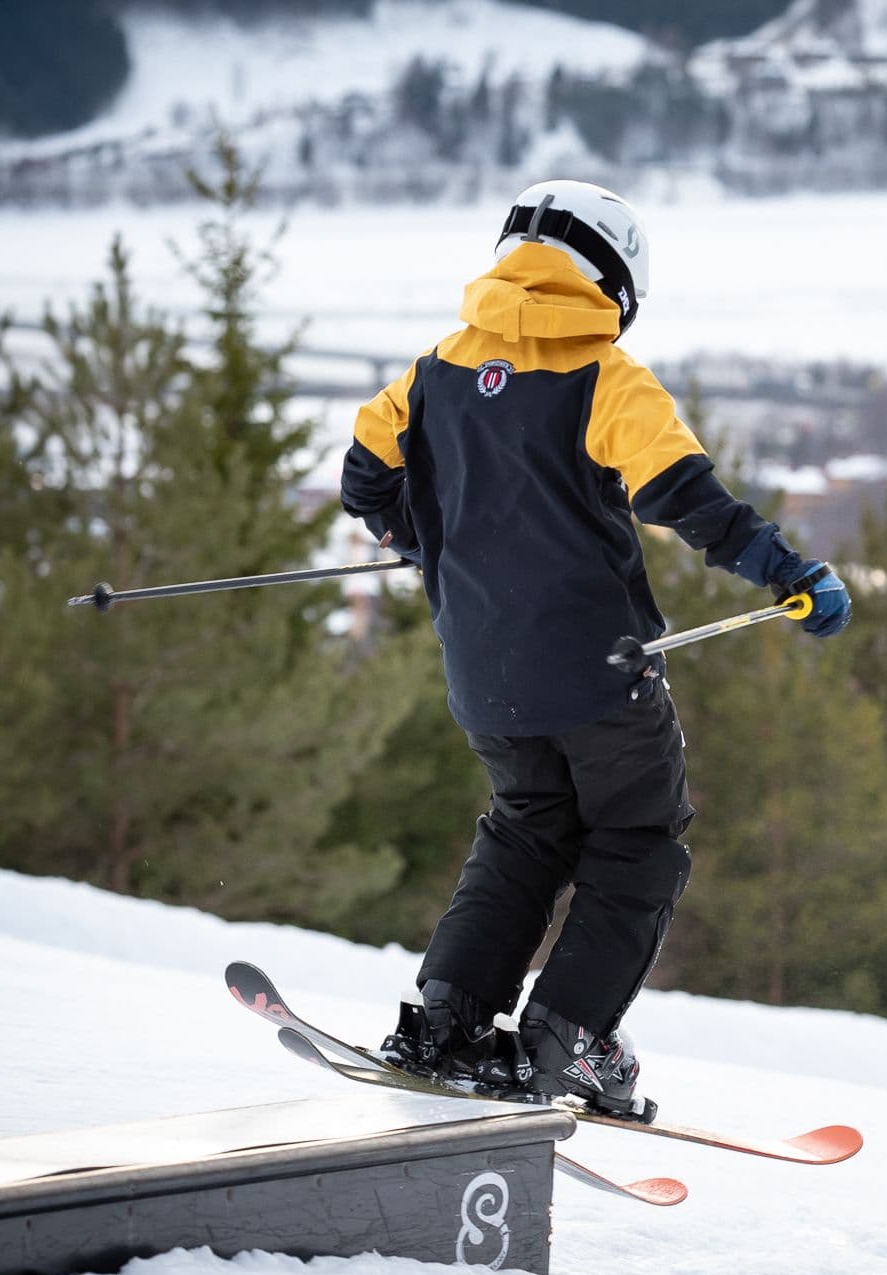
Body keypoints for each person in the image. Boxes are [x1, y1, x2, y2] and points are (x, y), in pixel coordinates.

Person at [338, 179, 850, 1117]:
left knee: (528, 827)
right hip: (596, 674)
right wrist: (790, 573)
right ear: (612, 276)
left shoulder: (432, 372)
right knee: (637, 841)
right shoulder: (607, 380)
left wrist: (428, 542)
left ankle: (447, 1022)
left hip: (483, 675)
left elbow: (366, 481)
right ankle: (569, 1039)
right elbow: (693, 505)